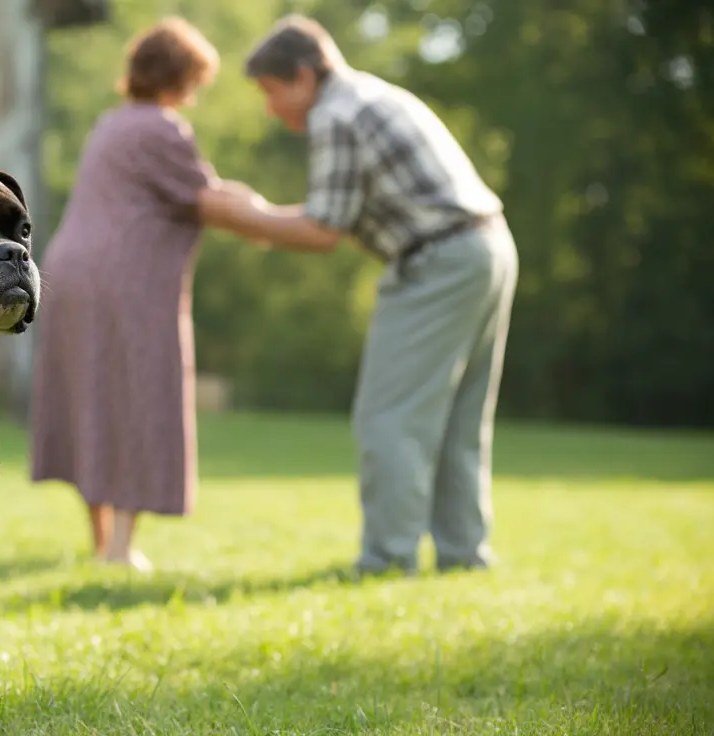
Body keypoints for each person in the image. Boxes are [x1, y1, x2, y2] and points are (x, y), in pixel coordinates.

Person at [206, 15, 519, 575]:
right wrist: (259, 218)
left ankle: (387, 558)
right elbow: (341, 220)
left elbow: (324, 231)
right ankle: (464, 555)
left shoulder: (336, 113)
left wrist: (245, 214)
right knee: (460, 421)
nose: (271, 108)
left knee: (388, 417)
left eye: (273, 92)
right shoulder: (373, 95)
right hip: (486, 246)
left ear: (304, 74)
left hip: (439, 260)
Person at [29, 17, 265, 571]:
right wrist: (268, 217)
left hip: (71, 274)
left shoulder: (110, 124)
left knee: (92, 398)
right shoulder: (163, 128)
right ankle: (121, 548)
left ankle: (101, 542)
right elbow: (205, 198)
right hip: (127, 283)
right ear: (179, 77)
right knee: (138, 398)